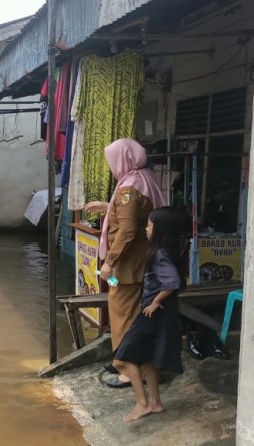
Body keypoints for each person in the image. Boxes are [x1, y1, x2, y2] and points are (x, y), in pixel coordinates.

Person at [87, 138, 167, 388]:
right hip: (138, 265)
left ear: (123, 159)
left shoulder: (128, 189)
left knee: (124, 313)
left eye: (112, 161)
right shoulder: (142, 178)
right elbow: (134, 213)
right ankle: (126, 361)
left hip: (126, 267)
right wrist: (108, 206)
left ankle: (131, 371)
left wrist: (110, 261)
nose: (111, 167)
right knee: (126, 308)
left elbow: (129, 229)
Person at [112, 207, 187, 422]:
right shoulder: (168, 251)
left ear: (159, 230)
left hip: (154, 313)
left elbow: (172, 283)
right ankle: (155, 403)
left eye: (149, 225)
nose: (145, 229)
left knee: (125, 356)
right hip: (160, 314)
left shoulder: (161, 254)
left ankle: (142, 403)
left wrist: (155, 301)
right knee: (147, 360)